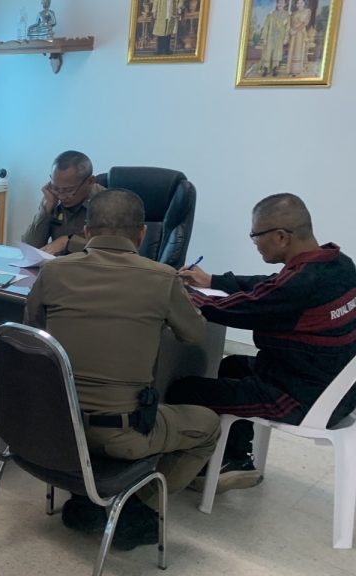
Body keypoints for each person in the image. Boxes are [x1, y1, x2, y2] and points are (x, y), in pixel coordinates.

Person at [25, 188, 220, 551]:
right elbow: (194, 334)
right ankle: (137, 511)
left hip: (54, 428)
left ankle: (87, 500)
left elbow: (32, 330)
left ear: (86, 230)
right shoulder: (162, 278)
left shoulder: (53, 272)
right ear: (142, 234)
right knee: (207, 426)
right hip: (120, 435)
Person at [170, 193, 356, 491]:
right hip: (336, 390)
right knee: (232, 366)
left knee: (182, 389)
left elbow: (241, 308)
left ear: (281, 236)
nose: (254, 243)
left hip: (300, 397)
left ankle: (176, 469)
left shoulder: (299, 285)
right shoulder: (338, 264)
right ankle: (233, 459)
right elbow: (268, 285)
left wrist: (178, 294)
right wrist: (213, 281)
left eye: (255, 235)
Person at [21, 150, 105, 255]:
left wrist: (68, 242)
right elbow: (29, 247)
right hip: (58, 264)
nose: (61, 196)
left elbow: (110, 251)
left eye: (68, 190)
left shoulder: (108, 204)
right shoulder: (53, 198)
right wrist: (46, 210)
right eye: (56, 188)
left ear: (90, 181)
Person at [259, 0, 291, 77]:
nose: (280, 4)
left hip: (280, 37)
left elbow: (288, 28)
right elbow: (266, 26)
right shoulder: (271, 14)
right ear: (276, 4)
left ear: (285, 4)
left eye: (282, 3)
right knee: (268, 52)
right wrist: (264, 37)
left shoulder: (287, 15)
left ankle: (275, 68)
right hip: (270, 37)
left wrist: (286, 38)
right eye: (279, 3)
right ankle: (266, 68)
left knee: (277, 53)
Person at [287, 0, 313, 77]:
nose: (299, 4)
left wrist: (296, 30)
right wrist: (291, 30)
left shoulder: (307, 11)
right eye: (298, 3)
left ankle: (298, 70)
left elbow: (305, 23)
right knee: (293, 50)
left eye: (301, 3)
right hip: (293, 34)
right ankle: (291, 70)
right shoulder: (294, 13)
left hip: (301, 33)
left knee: (299, 50)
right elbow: (291, 23)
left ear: (304, 3)